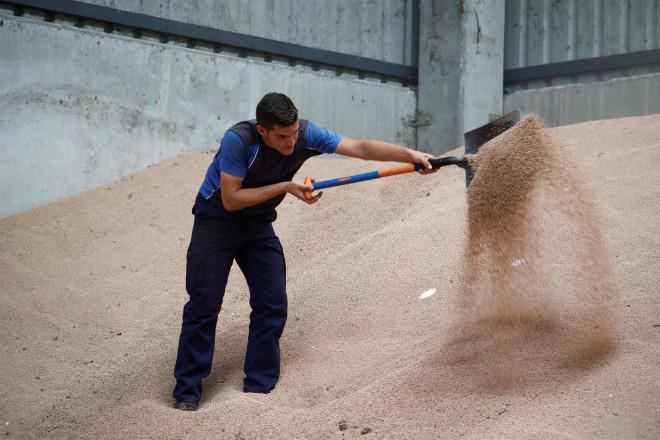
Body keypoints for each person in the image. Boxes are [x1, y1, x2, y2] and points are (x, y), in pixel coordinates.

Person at [173, 92, 435, 411]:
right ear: (263, 131)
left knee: (272, 302)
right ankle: (187, 391)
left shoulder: (307, 134)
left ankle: (258, 388)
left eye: (295, 133)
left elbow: (360, 148)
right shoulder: (239, 141)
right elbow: (231, 199)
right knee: (204, 304)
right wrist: (286, 187)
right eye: (282, 137)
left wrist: (409, 155)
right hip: (216, 221)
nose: (291, 142)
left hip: (257, 224)